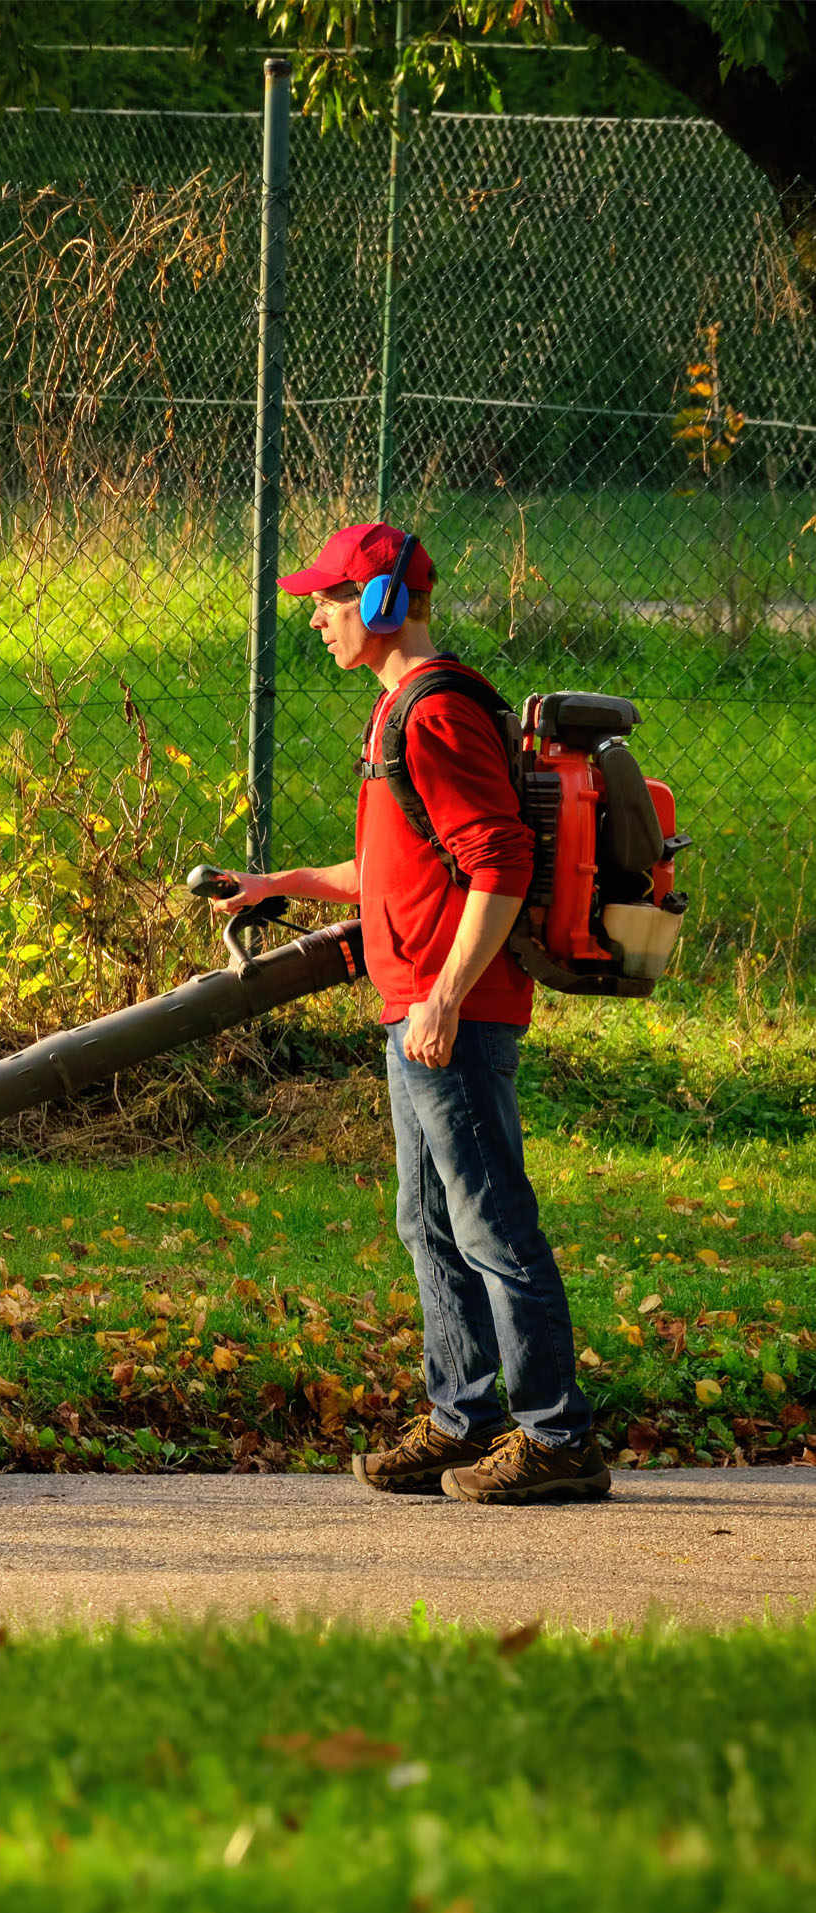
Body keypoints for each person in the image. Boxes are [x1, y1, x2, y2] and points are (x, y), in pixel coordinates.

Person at [213, 522, 606, 1505]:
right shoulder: (402, 713)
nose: (314, 618)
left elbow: (500, 861)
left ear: (382, 603)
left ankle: (557, 1433)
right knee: (429, 1223)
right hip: (423, 1007)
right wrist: (284, 879)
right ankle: (462, 1418)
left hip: (451, 1015)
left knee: (491, 1224)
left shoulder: (432, 715)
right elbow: (400, 862)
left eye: (331, 601)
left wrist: (445, 994)